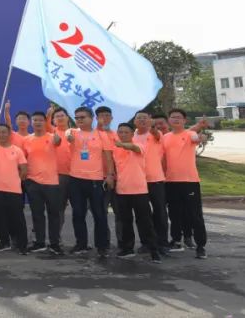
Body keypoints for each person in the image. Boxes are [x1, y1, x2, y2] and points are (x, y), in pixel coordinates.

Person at [64, 106, 114, 258]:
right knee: (78, 214)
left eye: (83, 117)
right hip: (75, 179)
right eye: (77, 117)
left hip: (95, 180)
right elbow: (67, 134)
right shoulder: (73, 132)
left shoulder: (101, 135)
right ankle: (81, 244)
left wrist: (110, 175)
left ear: (91, 118)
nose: (79, 120)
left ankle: (102, 246)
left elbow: (108, 157)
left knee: (99, 214)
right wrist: (68, 135)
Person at [111, 123, 162, 263]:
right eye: (120, 132)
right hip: (122, 190)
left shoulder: (139, 145)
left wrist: (123, 145)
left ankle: (153, 250)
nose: (123, 134)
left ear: (132, 133)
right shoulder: (115, 149)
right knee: (125, 222)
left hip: (140, 190)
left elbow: (133, 148)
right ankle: (127, 248)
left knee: (145, 222)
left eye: (126, 132)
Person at [162, 109, 209, 258]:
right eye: (173, 117)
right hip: (170, 181)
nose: (175, 119)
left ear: (184, 120)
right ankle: (176, 240)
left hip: (189, 181)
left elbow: (198, 138)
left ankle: (200, 246)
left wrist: (202, 136)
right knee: (174, 214)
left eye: (179, 117)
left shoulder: (190, 134)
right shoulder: (165, 137)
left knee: (195, 215)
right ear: (169, 120)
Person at [23, 112, 64, 255]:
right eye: (35, 120)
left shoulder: (52, 137)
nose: (38, 122)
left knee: (54, 214)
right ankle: (39, 242)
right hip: (33, 182)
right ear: (31, 122)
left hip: (51, 183)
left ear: (45, 122)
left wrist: (55, 133)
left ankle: (54, 243)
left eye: (41, 120)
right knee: (37, 214)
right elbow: (23, 160)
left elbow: (58, 141)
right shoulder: (27, 139)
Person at [133, 110, 170, 254]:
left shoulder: (156, 134)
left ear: (150, 120)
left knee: (160, 212)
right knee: (142, 214)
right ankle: (146, 243)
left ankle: (162, 243)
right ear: (134, 121)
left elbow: (155, 133)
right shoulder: (131, 136)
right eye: (139, 118)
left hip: (155, 180)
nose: (142, 120)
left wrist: (153, 127)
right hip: (138, 181)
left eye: (145, 118)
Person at [0, 125, 29, 254]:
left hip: (14, 190)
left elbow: (24, 169)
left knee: (18, 218)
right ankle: (4, 242)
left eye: (4, 132)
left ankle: (22, 245)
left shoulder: (17, 150)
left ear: (9, 134)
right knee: (1, 218)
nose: (1, 134)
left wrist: (15, 180)